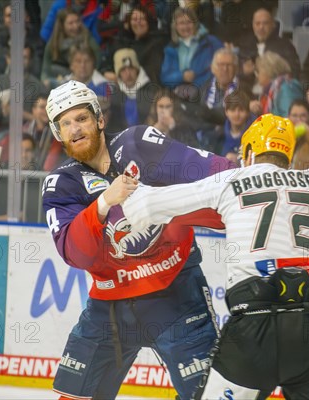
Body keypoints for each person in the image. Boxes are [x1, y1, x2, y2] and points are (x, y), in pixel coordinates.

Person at [122, 113, 309, 400]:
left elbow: (147, 206)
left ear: (248, 153)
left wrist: (119, 192)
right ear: (287, 153)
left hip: (254, 329)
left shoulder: (232, 180)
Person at [41, 80, 234, 399]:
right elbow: (77, 254)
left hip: (176, 296)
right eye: (66, 123)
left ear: (99, 120)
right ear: (58, 134)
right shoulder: (60, 184)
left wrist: (253, 179)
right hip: (109, 308)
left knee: (207, 395)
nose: (75, 129)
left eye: (82, 118)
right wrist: (103, 204)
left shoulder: (137, 143)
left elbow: (209, 171)